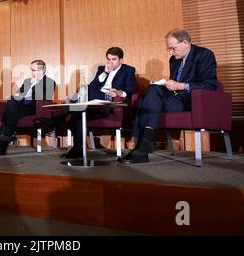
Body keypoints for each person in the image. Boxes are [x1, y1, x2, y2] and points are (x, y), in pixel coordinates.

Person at [118, 28, 218, 164]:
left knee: (147, 97)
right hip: (175, 98)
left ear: (185, 43)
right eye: (169, 49)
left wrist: (181, 85)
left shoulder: (204, 55)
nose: (171, 52)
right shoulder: (174, 60)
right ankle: (143, 146)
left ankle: (141, 147)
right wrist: (164, 85)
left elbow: (211, 84)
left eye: (173, 48)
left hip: (190, 101)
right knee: (149, 92)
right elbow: (172, 85)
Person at [38, 47, 136, 158]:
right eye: (108, 59)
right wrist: (104, 73)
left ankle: (56, 120)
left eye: (114, 59)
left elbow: (130, 90)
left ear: (121, 60)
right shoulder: (102, 69)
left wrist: (118, 93)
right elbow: (94, 86)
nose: (110, 62)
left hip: (107, 102)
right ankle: (78, 148)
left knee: (84, 92)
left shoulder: (128, 70)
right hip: (91, 101)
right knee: (79, 111)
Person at [0, 60, 56, 155]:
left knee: (10, 110)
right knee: (11, 101)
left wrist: (34, 85)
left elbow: (44, 97)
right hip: (21, 107)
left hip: (34, 108)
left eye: (33, 70)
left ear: (41, 71)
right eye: (31, 70)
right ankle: (7, 137)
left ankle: (3, 143)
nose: (31, 72)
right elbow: (18, 94)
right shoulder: (27, 81)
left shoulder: (50, 82)